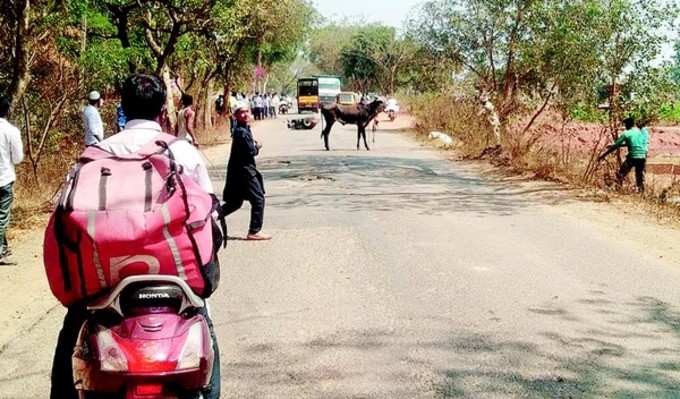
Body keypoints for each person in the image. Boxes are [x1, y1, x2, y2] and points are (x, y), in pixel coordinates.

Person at [50, 74, 219, 399]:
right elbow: (208, 216)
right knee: (204, 328)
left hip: (103, 287)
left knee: (72, 335)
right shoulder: (183, 153)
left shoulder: (93, 156)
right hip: (175, 284)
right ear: (162, 109)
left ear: (122, 108)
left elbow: (63, 222)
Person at [223, 105, 271, 241]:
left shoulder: (243, 129)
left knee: (235, 203)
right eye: (241, 112)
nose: (245, 115)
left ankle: (209, 218)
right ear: (236, 116)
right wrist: (257, 146)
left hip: (238, 171)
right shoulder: (241, 132)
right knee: (258, 199)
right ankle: (254, 231)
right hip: (245, 171)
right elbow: (251, 151)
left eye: (246, 112)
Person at [0, 96, 24, 261]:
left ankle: (4, 248)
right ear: (8, 111)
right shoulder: (11, 131)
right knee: (2, 216)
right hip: (4, 178)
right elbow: (17, 158)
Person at [598, 116, 648, 192]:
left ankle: (618, 190)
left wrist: (603, 155)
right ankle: (641, 193)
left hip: (633, 156)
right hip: (642, 156)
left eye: (625, 124)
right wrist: (620, 145)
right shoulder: (639, 132)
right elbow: (635, 144)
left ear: (627, 125)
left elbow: (615, 146)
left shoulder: (626, 133)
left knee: (621, 174)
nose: (625, 126)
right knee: (639, 177)